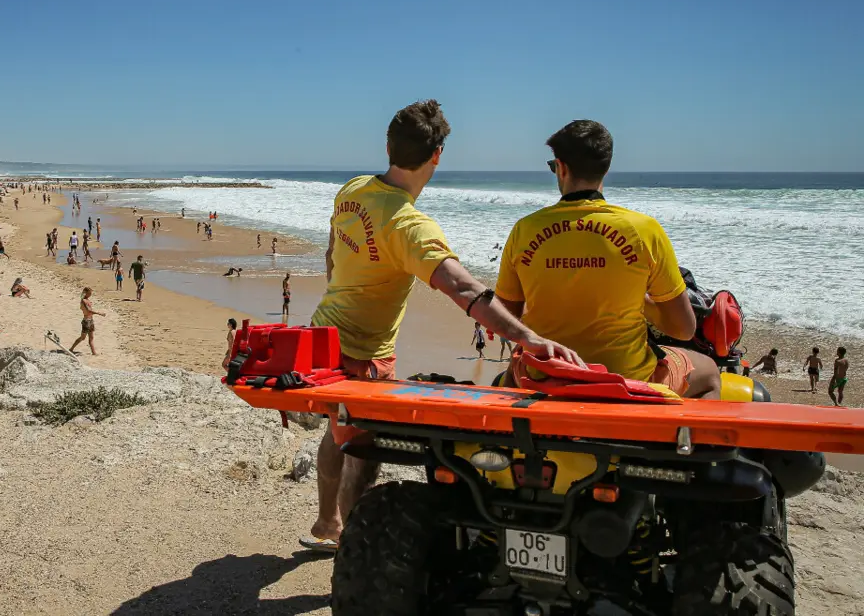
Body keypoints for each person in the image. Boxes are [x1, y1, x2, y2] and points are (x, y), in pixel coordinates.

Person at [302, 100, 579, 554]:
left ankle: (326, 520)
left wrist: (341, 281)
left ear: (388, 146)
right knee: (361, 445)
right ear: (437, 156)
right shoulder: (410, 227)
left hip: (323, 334)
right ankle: (351, 541)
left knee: (336, 425)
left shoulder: (352, 190)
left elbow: (334, 249)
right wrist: (527, 336)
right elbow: (463, 288)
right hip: (367, 353)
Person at [495, 119, 719, 399]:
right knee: (709, 371)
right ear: (606, 169)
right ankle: (687, 441)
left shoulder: (524, 230)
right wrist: (641, 301)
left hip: (544, 373)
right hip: (625, 378)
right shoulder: (644, 230)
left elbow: (504, 318)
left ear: (561, 167)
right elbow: (684, 329)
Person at [69, 287, 106, 355]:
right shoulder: (83, 301)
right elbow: (88, 310)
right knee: (83, 338)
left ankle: (94, 352)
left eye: (91, 293)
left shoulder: (87, 300)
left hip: (91, 320)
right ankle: (71, 349)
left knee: (91, 337)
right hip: (86, 321)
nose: (90, 295)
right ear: (86, 293)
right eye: (89, 293)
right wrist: (99, 313)